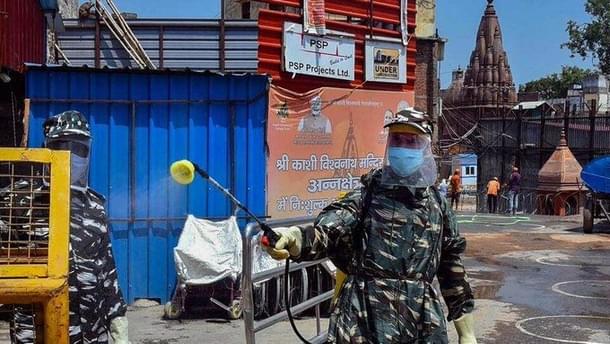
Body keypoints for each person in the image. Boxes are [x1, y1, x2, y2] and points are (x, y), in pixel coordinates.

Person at [263, 109, 476, 343]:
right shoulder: (367, 194)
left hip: (420, 320)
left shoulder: (437, 205)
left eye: (411, 141)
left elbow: (451, 269)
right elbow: (332, 228)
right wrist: (296, 237)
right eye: (397, 140)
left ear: (425, 148)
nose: (402, 148)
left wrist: (466, 333)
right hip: (363, 317)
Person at [1, 111, 129, 343]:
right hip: (38, 330)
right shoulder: (18, 201)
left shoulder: (95, 207)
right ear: (47, 149)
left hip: (90, 330)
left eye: (79, 149)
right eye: (62, 146)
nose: (71, 156)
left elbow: (107, 270)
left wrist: (118, 320)